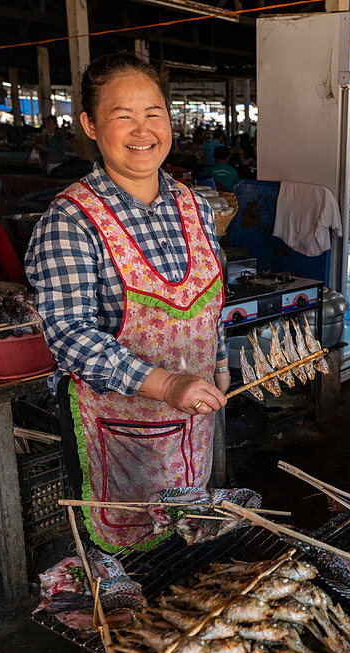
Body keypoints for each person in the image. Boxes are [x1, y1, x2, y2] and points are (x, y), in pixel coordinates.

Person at [26, 51, 229, 552]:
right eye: (123, 116)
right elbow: (69, 336)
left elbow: (210, 298)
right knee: (128, 570)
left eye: (153, 113)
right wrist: (165, 382)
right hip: (114, 432)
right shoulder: (70, 220)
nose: (142, 130)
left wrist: (219, 360)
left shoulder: (194, 203)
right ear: (91, 126)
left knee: (186, 547)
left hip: (192, 422)